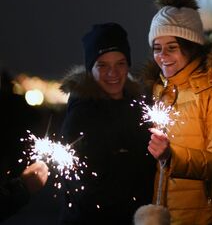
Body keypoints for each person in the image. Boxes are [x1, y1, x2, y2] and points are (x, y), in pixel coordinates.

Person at [144, 0, 212, 224]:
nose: (163, 56)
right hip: (169, 216)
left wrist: (173, 158)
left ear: (191, 46)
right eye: (157, 48)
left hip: (208, 217)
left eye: (172, 48)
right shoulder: (162, 90)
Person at [59, 22, 154, 224]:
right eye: (102, 65)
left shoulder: (140, 108)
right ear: (90, 68)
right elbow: (83, 189)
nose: (113, 73)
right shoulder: (81, 115)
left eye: (120, 63)